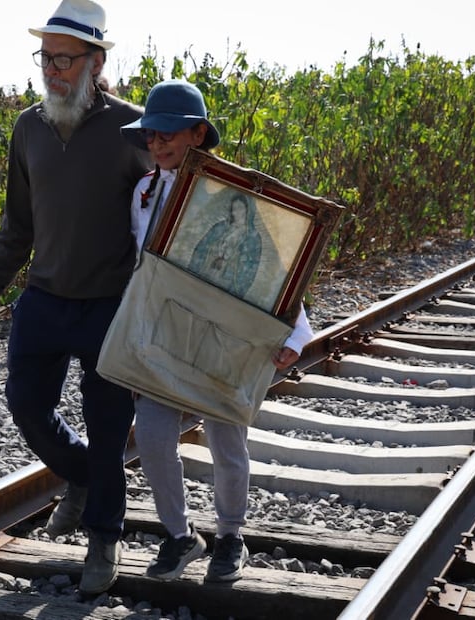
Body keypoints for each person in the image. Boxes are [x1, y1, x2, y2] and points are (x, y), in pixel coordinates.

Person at [0, 0, 150, 595]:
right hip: (43, 299)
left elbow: (170, 212)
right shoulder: (28, 128)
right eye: (45, 58)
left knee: (107, 423)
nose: (52, 70)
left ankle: (104, 540)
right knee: (25, 407)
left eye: (65, 60)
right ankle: (81, 477)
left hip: (108, 304)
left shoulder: (134, 131)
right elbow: (18, 222)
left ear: (96, 62)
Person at [120, 79, 314, 583]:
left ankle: (231, 535)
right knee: (156, 435)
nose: (157, 145)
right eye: (150, 137)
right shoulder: (143, 192)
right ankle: (181, 536)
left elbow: (273, 269)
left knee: (227, 439)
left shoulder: (237, 191)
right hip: (166, 330)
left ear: (197, 133)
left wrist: (294, 336)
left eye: (167, 135)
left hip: (226, 335)